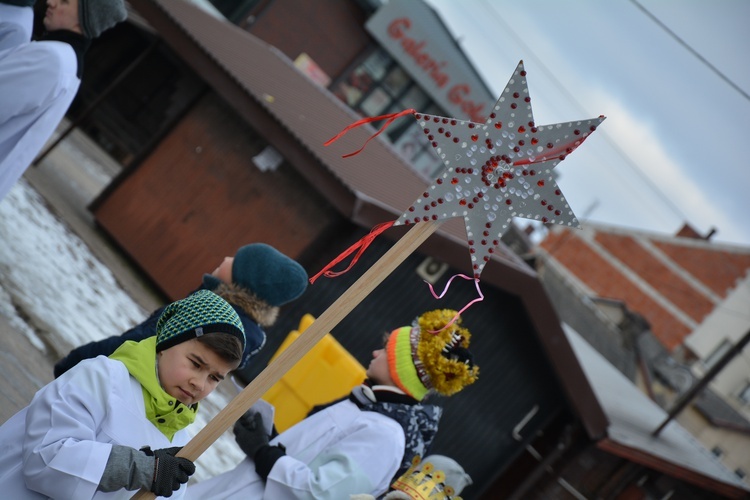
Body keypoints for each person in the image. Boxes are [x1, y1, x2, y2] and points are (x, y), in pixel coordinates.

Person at [186, 308, 480, 499]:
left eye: (387, 350)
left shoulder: (386, 436)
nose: (376, 353)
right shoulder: (367, 408)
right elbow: (310, 459)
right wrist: (268, 437)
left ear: (402, 368)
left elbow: (324, 493)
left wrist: (263, 452)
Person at [0, 289, 246, 499]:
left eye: (214, 378)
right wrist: (138, 467)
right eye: (196, 364)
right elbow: (44, 460)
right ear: (165, 344)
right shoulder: (101, 378)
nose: (199, 384)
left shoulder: (180, 441)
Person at [54, 242, 309, 378]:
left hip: (114, 376)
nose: (227, 258)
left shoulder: (205, 311)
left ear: (245, 281)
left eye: (237, 260)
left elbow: (139, 342)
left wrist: (80, 360)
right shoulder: (241, 328)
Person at [0, 0, 127, 201]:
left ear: (85, 21)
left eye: (65, 1)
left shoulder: (51, 59)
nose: (51, 1)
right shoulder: (67, 62)